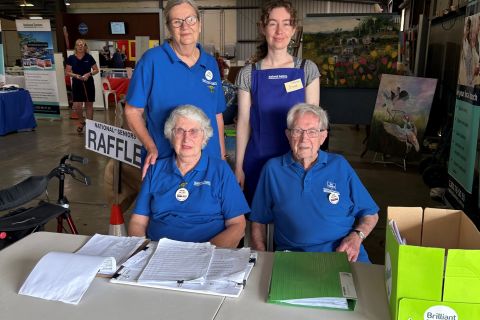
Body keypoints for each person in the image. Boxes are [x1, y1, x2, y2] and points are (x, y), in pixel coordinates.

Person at [249, 103, 379, 262]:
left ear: (323, 136)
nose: (305, 139)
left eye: (312, 132)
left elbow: (371, 214)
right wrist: (261, 257)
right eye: (298, 131)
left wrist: (357, 236)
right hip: (294, 260)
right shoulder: (273, 169)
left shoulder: (339, 165)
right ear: (288, 135)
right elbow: (258, 220)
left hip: (344, 254)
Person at [125, 0, 226, 179]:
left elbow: (216, 115)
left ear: (200, 24)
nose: (185, 26)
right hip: (165, 162)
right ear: (169, 28)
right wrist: (151, 147)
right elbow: (132, 111)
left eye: (191, 20)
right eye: (177, 21)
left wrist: (222, 158)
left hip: (208, 164)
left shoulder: (210, 63)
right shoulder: (151, 61)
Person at [235, 0, 320, 202]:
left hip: (298, 161)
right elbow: (244, 122)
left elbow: (314, 125)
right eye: (272, 23)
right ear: (263, 28)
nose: (279, 30)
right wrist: (239, 166)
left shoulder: (307, 70)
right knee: (257, 220)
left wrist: (312, 165)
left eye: (286, 23)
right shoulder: (249, 74)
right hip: (258, 159)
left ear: (294, 29)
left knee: (292, 218)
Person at [128, 105, 249, 247]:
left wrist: (205, 254)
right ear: (170, 135)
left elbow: (238, 225)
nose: (186, 138)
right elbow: (138, 222)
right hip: (159, 253)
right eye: (180, 131)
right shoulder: (155, 169)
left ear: (204, 136)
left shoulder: (220, 170)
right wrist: (142, 251)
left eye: (193, 131)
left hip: (208, 253)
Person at [65, 39, 99, 133]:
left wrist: (89, 74)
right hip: (77, 83)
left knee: (89, 105)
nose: (80, 46)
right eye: (78, 45)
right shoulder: (71, 58)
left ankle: (91, 126)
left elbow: (96, 70)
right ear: (75, 47)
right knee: (77, 105)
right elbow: (67, 72)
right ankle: (81, 121)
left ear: (85, 47)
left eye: (82, 45)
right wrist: (75, 75)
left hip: (88, 82)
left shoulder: (89, 57)